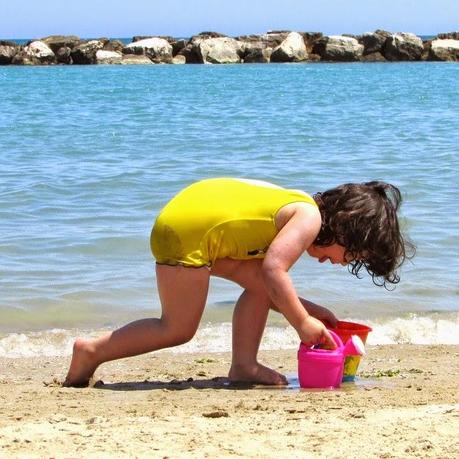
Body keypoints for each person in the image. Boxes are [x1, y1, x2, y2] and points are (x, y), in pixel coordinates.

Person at [64, 177, 413, 387]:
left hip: (190, 220)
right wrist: (302, 322)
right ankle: (92, 350)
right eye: (349, 256)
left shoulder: (296, 205)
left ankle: (243, 365)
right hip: (189, 233)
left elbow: (263, 280)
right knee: (177, 327)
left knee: (260, 287)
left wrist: (310, 310)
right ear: (347, 226)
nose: (338, 263)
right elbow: (274, 270)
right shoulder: (307, 218)